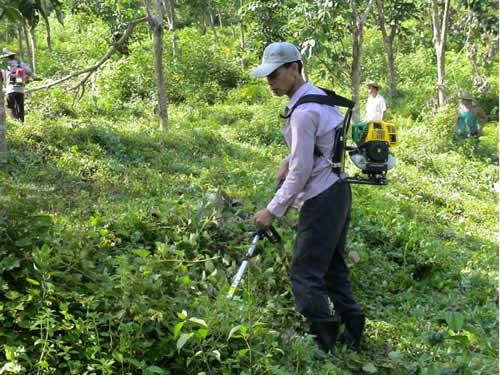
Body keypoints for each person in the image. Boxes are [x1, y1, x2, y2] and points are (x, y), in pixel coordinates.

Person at [249, 42, 365, 353]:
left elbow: (301, 173)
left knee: (304, 272)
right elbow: (322, 146)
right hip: (339, 192)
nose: (270, 82)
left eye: (275, 74)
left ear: (295, 68)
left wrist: (272, 211)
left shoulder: (303, 111)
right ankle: (353, 331)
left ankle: (321, 346)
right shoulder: (322, 98)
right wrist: (287, 162)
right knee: (332, 267)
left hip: (322, 197)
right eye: (267, 77)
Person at [1, 47, 32, 122]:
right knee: (20, 107)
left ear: (6, 58)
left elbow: (3, 79)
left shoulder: (5, 66)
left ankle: (15, 121)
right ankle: (21, 123)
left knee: (9, 106)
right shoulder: (20, 64)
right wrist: (25, 79)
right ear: (14, 56)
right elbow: (30, 72)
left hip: (10, 89)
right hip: (20, 89)